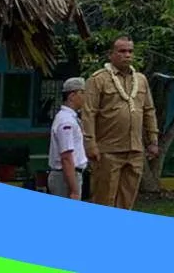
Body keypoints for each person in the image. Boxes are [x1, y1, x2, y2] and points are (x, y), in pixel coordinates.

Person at [83, 36, 159, 210]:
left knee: (127, 200)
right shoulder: (98, 79)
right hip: (108, 150)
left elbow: (149, 110)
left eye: (130, 51)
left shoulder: (141, 80)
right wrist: (91, 144)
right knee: (104, 200)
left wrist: (153, 140)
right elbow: (89, 113)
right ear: (111, 54)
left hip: (135, 150)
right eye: (122, 51)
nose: (127, 55)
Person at [47, 78, 88, 200]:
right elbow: (66, 157)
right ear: (72, 95)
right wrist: (74, 190)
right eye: (82, 93)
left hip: (70, 175)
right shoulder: (66, 121)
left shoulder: (71, 118)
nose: (85, 97)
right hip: (65, 177)